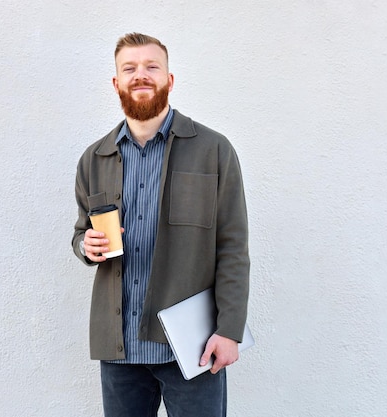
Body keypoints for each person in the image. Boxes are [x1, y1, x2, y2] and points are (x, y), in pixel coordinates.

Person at [72, 32, 250, 417]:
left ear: (170, 80)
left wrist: (230, 329)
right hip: (118, 348)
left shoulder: (213, 150)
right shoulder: (93, 159)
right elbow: (80, 232)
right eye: (129, 68)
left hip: (193, 345)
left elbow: (233, 247)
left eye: (152, 67)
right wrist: (85, 246)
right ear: (116, 83)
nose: (141, 75)